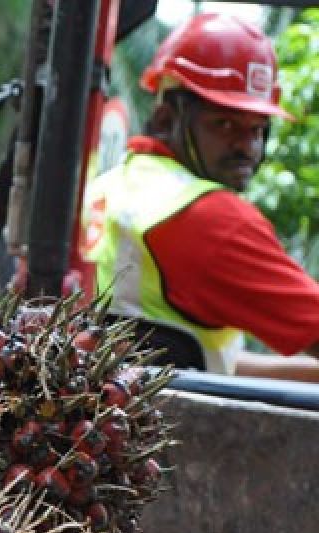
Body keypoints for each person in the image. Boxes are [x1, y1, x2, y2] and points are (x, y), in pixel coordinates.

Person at [82, 12, 319, 381]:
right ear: (165, 120)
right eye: (224, 124)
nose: (246, 146)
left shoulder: (112, 189)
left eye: (257, 129)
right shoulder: (209, 219)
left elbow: (187, 357)